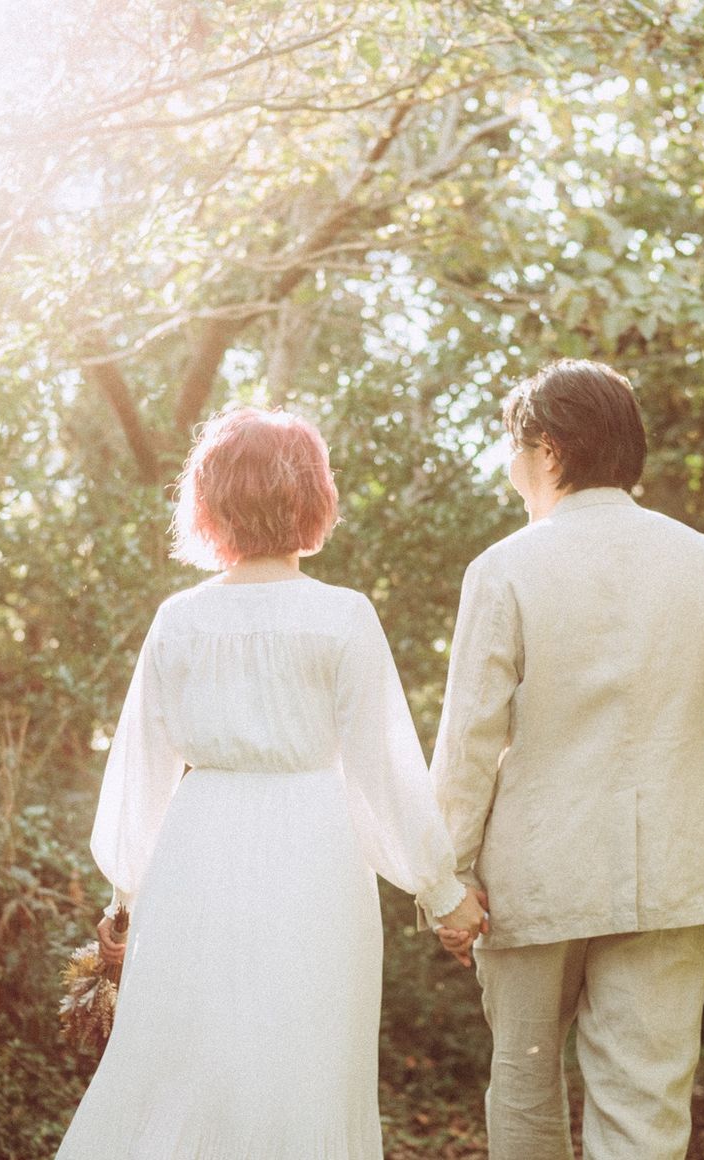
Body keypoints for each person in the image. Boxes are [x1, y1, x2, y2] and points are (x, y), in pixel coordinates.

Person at [56, 406, 484, 1160]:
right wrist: (443, 893)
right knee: (303, 1064)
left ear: (210, 502)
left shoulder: (179, 620)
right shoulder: (342, 617)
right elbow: (383, 775)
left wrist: (124, 901)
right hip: (315, 859)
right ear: (312, 497)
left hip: (195, 858)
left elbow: (141, 773)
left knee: (185, 1068)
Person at [429, 359, 704, 1160]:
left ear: (547, 450)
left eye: (513, 448)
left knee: (525, 1090)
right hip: (672, 873)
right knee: (648, 1105)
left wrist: (447, 877)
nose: (510, 467)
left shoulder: (506, 567)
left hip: (535, 878)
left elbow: (471, 738)